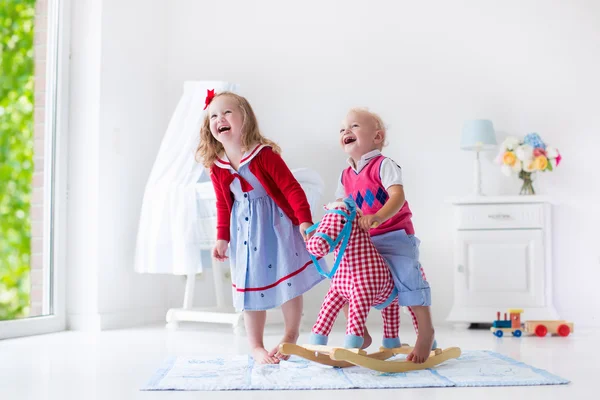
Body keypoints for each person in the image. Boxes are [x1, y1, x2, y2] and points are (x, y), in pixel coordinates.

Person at [196, 91, 325, 364]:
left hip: (275, 227)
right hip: (244, 233)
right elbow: (223, 204)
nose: (220, 119)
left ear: (245, 118)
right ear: (210, 127)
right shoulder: (216, 165)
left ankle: (291, 333)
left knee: (288, 280)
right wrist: (222, 238)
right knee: (249, 288)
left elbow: (291, 188)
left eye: (227, 112)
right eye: (214, 116)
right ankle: (256, 345)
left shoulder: (262, 154)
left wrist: (304, 220)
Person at [335, 107, 436, 363]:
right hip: (365, 243)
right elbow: (340, 207)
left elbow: (397, 196)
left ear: (377, 137)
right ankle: (362, 333)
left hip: (395, 237)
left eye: (354, 126)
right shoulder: (345, 174)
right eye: (342, 129)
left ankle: (426, 333)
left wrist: (378, 216)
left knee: (408, 278)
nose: (346, 131)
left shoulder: (384, 165)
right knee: (342, 285)